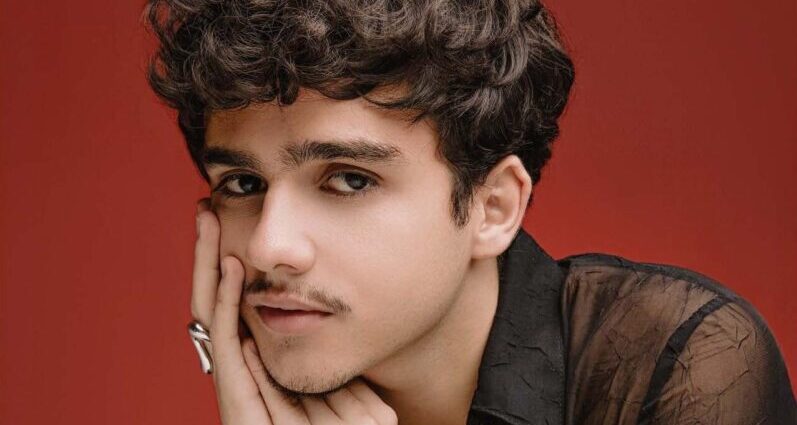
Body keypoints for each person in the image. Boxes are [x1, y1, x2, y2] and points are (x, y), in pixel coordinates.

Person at [144, 0, 797, 424]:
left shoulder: (682, 361)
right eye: (242, 183)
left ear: (493, 207)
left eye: (348, 179)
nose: (268, 247)